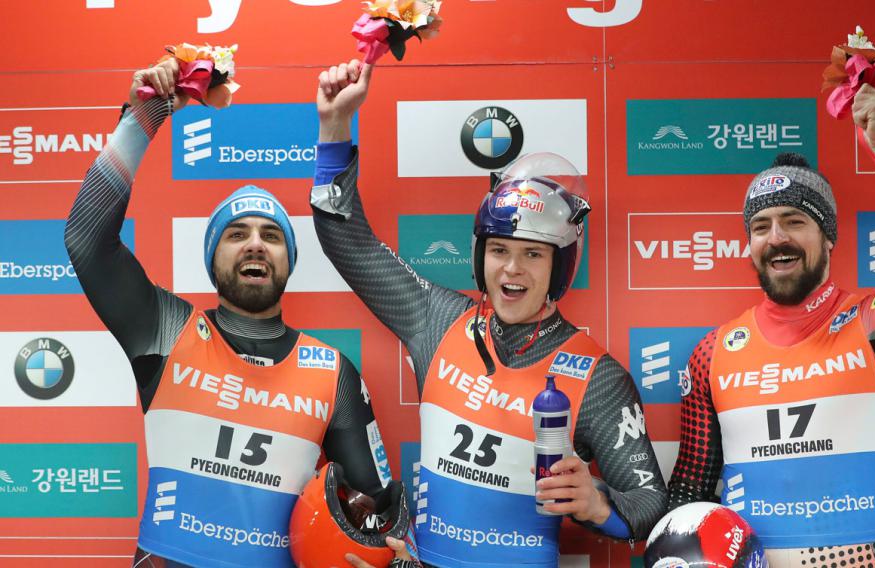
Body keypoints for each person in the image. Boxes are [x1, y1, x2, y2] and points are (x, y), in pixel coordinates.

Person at [309, 60, 667, 567]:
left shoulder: (598, 377)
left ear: (560, 266)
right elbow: (348, 241)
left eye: (534, 253)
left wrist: (597, 504)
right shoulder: (436, 319)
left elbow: (651, 508)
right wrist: (335, 128)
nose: (512, 269)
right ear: (480, 257)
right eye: (499, 249)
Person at [65, 57, 399, 568]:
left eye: (271, 236)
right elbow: (87, 241)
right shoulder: (168, 329)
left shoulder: (332, 372)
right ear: (212, 258)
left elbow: (374, 510)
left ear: (288, 259)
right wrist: (143, 117)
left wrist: (389, 556)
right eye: (236, 234)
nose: (255, 245)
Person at [665, 83, 875, 567]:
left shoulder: (874, 324)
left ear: (828, 238)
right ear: (749, 245)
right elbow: (688, 499)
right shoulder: (712, 352)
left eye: (794, 221)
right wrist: (606, 513)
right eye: (760, 227)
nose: (776, 237)